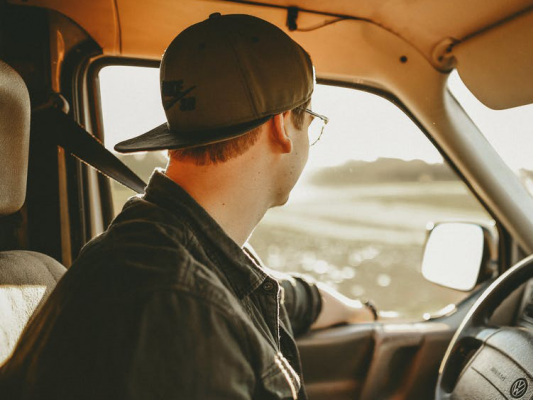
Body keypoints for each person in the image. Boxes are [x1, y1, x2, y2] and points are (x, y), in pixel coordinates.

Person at [0, 13, 374, 400]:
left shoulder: (166, 242)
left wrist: (359, 312)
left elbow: (266, 294)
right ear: (282, 126)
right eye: (309, 122)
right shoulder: (177, 310)